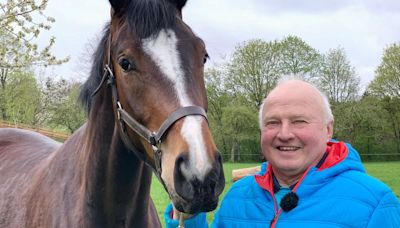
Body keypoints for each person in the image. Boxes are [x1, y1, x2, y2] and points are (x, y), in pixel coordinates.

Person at [164, 78, 400, 227]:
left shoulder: (376, 204)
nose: (285, 134)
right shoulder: (239, 197)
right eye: (273, 123)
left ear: (328, 129)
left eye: (299, 121)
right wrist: (191, 214)